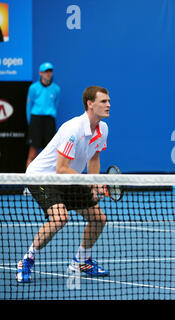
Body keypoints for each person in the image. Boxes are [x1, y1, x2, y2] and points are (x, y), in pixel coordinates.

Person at [16, 86, 111, 283]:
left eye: (109, 101)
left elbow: (94, 159)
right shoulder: (73, 129)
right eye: (104, 101)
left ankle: (81, 261)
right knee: (60, 218)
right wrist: (88, 184)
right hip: (43, 177)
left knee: (99, 219)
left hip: (68, 179)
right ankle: (27, 259)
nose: (109, 104)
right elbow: (61, 168)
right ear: (90, 104)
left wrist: (96, 183)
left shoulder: (102, 129)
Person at [26, 62, 61, 168]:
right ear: (40, 73)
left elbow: (55, 105)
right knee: (32, 153)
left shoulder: (56, 89)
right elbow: (28, 106)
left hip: (49, 121)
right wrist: (30, 123)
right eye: (46, 71)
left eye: (50, 71)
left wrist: (51, 115)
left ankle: (48, 183)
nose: (48, 73)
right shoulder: (33, 88)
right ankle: (29, 183)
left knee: (50, 153)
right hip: (36, 120)